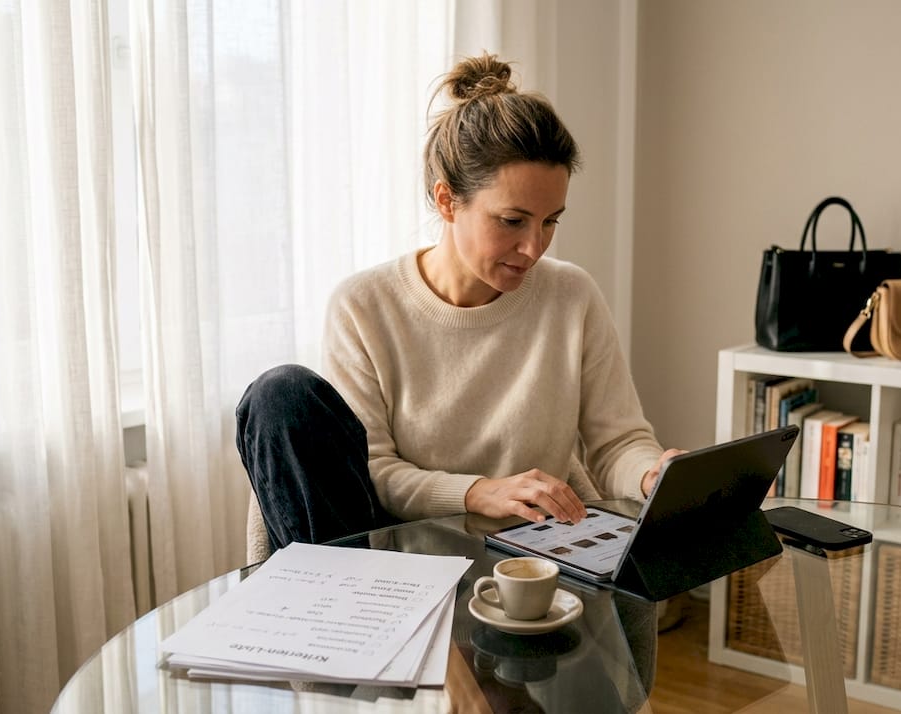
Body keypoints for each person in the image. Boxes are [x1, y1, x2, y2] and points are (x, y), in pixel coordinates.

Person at [236, 53, 684, 551]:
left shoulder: (571, 296)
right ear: (447, 200)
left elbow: (617, 443)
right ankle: (355, 618)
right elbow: (374, 471)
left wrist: (651, 474)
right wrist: (476, 492)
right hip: (397, 560)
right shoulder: (364, 306)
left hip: (530, 561)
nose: (535, 247)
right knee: (281, 393)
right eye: (512, 221)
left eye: (551, 221)